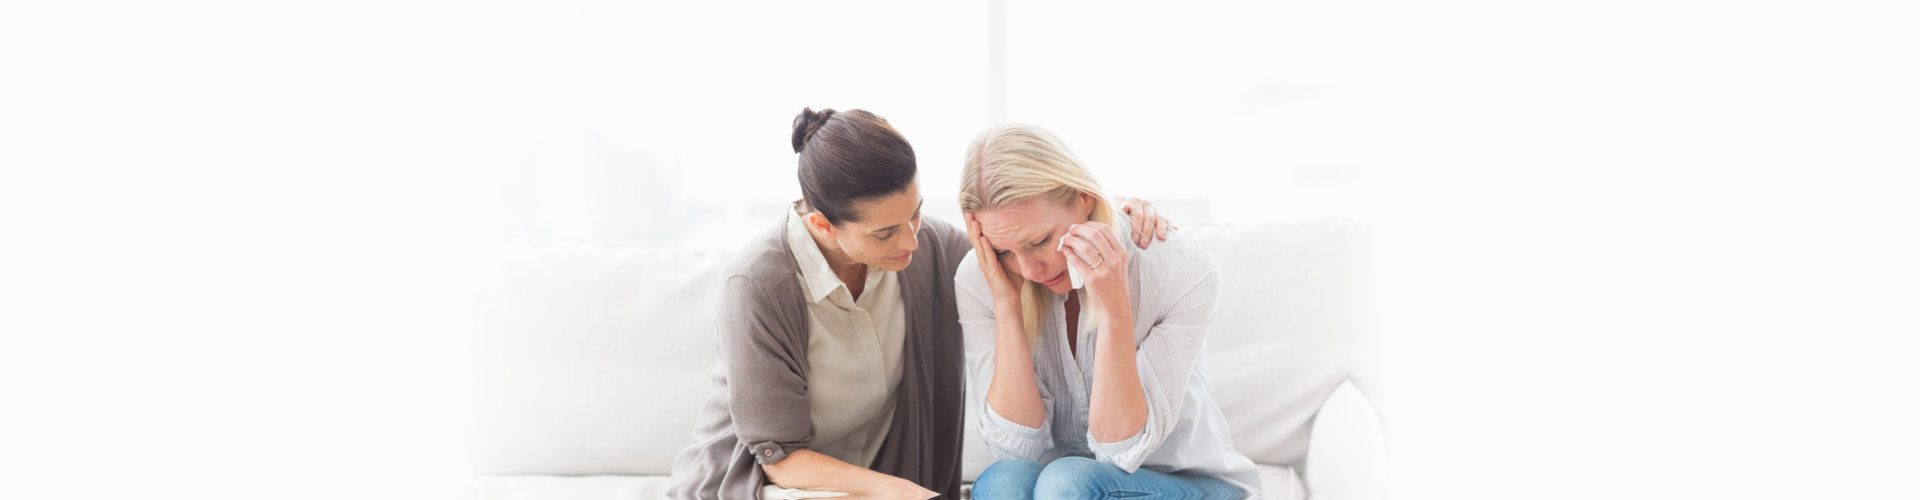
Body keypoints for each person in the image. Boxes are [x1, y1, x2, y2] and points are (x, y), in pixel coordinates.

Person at [668, 109, 1175, 499]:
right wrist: (909, 494)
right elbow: (778, 459)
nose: (911, 241)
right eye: (885, 232)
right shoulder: (759, 284)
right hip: (765, 486)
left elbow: (1020, 233)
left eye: (916, 214)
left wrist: (1112, 217)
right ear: (821, 225)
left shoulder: (928, 250)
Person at [957, 123, 1259, 499]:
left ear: (1084, 197)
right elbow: (1014, 449)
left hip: (1190, 483)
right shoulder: (983, 276)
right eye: (1004, 250)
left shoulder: (1179, 268)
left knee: (1066, 481)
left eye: (1040, 241)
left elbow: (1120, 450)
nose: (1029, 270)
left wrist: (1114, 307)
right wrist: (1006, 305)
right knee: (1004, 481)